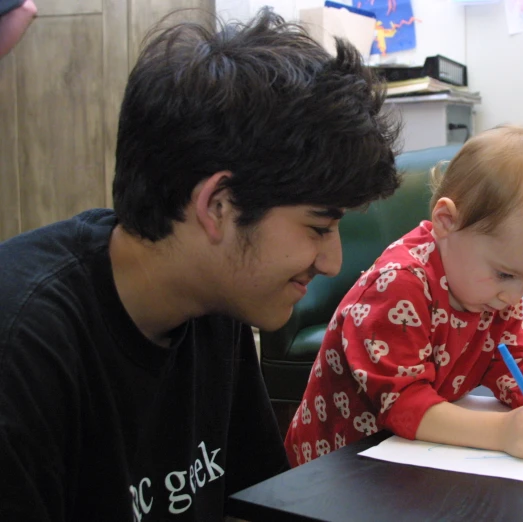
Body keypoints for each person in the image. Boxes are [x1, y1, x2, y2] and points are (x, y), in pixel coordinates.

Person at [0, 9, 399, 521]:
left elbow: (253, 504)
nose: (332, 261)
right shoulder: (23, 350)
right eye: (318, 227)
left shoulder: (216, 301)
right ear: (218, 206)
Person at [285, 125, 523, 467]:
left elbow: (509, 361)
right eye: (506, 274)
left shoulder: (494, 290)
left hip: (407, 461)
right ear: (446, 221)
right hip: (338, 467)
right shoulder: (398, 284)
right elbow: (402, 403)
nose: (513, 297)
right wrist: (501, 431)